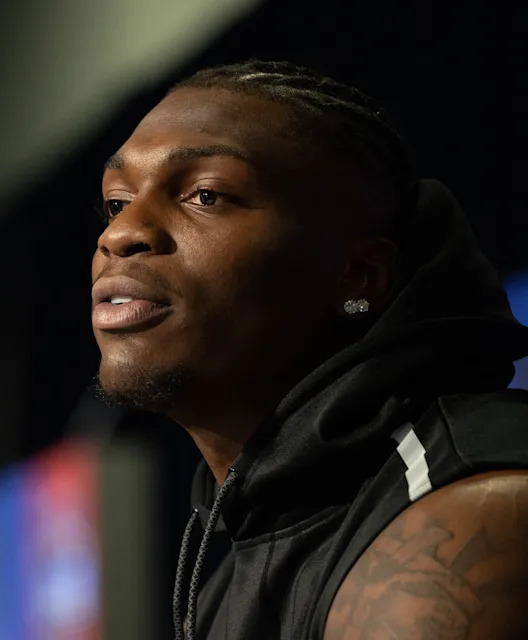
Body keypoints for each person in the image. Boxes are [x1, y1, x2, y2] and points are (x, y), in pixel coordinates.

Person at [89, 59, 528, 639]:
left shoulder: (466, 520)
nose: (119, 236)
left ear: (358, 277)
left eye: (206, 195)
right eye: (117, 203)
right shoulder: (241, 549)